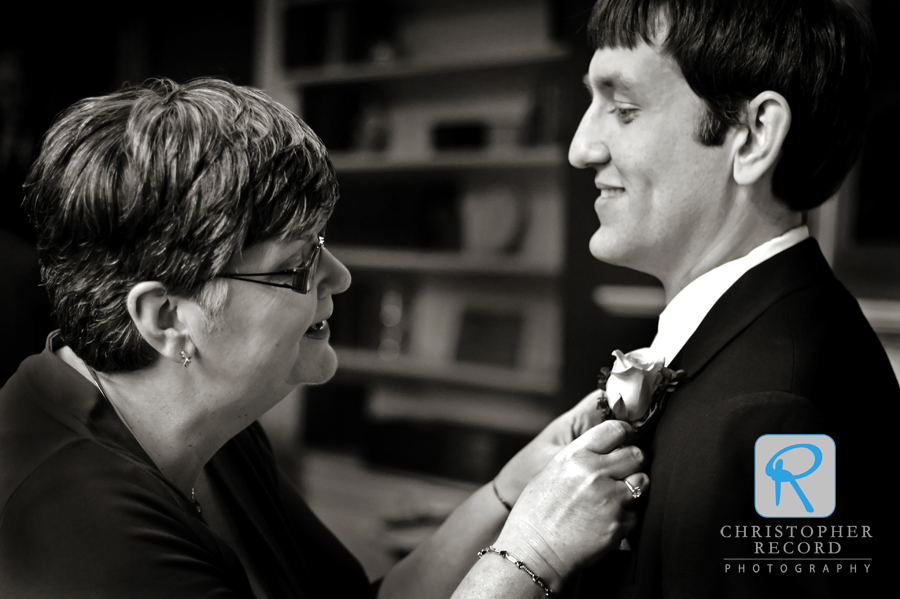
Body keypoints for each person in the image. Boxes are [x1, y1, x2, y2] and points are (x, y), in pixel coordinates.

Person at [0, 77, 648, 598]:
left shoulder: (207, 423)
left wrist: (508, 493)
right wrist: (528, 556)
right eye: (300, 261)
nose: (339, 276)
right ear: (167, 318)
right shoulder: (73, 527)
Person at [565, 1, 898, 598]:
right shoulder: (742, 337)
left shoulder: (775, 417)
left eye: (623, 109)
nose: (581, 148)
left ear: (753, 136)